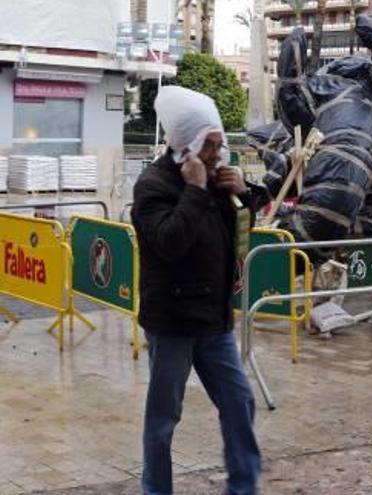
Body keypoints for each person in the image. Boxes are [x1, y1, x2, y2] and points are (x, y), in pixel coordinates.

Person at [132, 86, 269, 495]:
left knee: (239, 402)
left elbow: (240, 238)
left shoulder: (216, 182)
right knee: (163, 419)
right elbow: (170, 243)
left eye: (218, 144)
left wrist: (244, 195)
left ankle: (243, 486)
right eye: (208, 146)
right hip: (173, 323)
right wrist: (194, 190)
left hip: (214, 320)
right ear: (186, 145)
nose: (216, 153)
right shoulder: (153, 185)